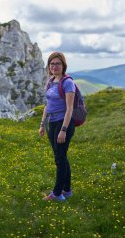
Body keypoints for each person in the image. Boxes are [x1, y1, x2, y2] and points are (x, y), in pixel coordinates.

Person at [39, 52, 76, 201]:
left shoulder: (68, 83)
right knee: (61, 157)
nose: (54, 66)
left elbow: (70, 108)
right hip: (51, 123)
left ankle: (57, 194)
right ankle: (67, 190)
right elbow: (47, 105)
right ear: (49, 66)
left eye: (57, 64)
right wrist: (42, 124)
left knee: (59, 159)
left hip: (63, 123)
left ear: (63, 66)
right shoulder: (51, 81)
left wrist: (64, 130)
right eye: (52, 64)